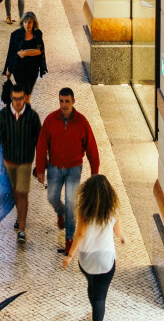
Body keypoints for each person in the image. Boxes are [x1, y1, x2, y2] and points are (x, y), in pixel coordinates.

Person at [36, 87, 102, 255]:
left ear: (73, 101)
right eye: (61, 101)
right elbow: (42, 145)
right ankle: (61, 213)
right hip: (55, 168)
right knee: (52, 197)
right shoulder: (51, 120)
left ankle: (69, 239)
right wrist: (40, 167)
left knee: (71, 203)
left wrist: (95, 174)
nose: (63, 105)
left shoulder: (82, 122)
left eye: (67, 101)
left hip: (74, 168)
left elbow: (92, 149)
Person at [62, 174, 126, 321]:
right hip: (106, 260)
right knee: (100, 298)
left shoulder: (85, 211)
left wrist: (70, 256)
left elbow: (80, 234)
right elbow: (118, 231)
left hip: (87, 260)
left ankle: (95, 312)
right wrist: (123, 238)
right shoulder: (113, 209)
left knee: (92, 285)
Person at [0, 82, 43, 244]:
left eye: (20, 99)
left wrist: (40, 164)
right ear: (11, 98)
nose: (18, 102)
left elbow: (39, 141)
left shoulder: (32, 117)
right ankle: (20, 216)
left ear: (25, 98)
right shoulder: (3, 115)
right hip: (9, 160)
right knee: (15, 190)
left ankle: (22, 229)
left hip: (25, 161)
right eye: (15, 99)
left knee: (22, 192)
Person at [4, 12, 47, 99]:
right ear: (22, 23)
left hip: (32, 70)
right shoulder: (16, 35)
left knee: (28, 94)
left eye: (29, 22)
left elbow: (40, 52)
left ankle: (25, 110)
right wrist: (9, 69)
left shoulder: (38, 34)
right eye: (25, 22)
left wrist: (25, 53)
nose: (27, 25)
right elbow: (11, 53)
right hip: (18, 70)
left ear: (34, 23)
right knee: (24, 94)